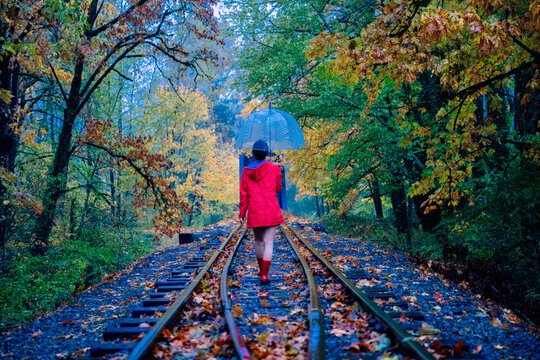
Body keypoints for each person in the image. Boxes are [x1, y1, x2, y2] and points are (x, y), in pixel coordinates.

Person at [239, 140, 284, 282]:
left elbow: (243, 194)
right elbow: (277, 189)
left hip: (255, 210)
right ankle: (265, 274)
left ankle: (261, 270)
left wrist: (242, 213)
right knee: (269, 242)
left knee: (258, 241)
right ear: (266, 153)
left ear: (253, 154)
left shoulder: (246, 171)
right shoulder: (275, 169)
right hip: (270, 208)